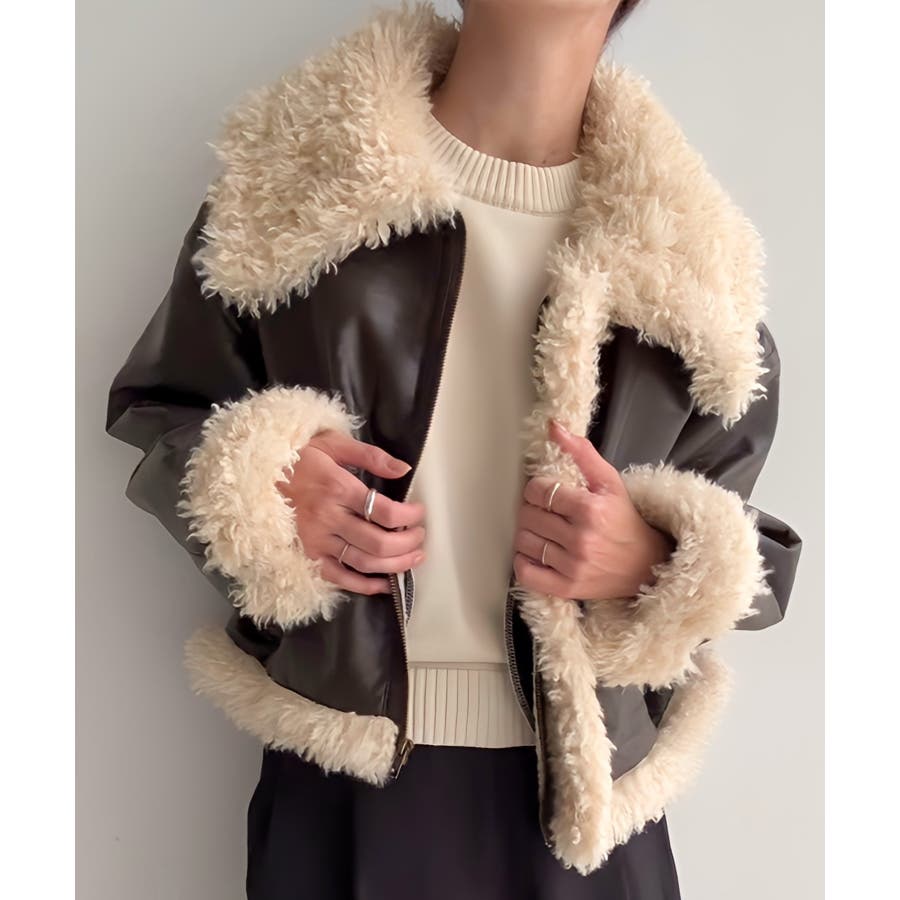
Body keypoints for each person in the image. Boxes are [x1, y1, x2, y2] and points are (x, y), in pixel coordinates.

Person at [105, 1, 803, 897]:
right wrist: (265, 483)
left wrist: (657, 559)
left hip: (589, 811)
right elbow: (160, 406)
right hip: (345, 777)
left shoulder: (691, 268)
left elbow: (757, 557)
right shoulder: (293, 195)